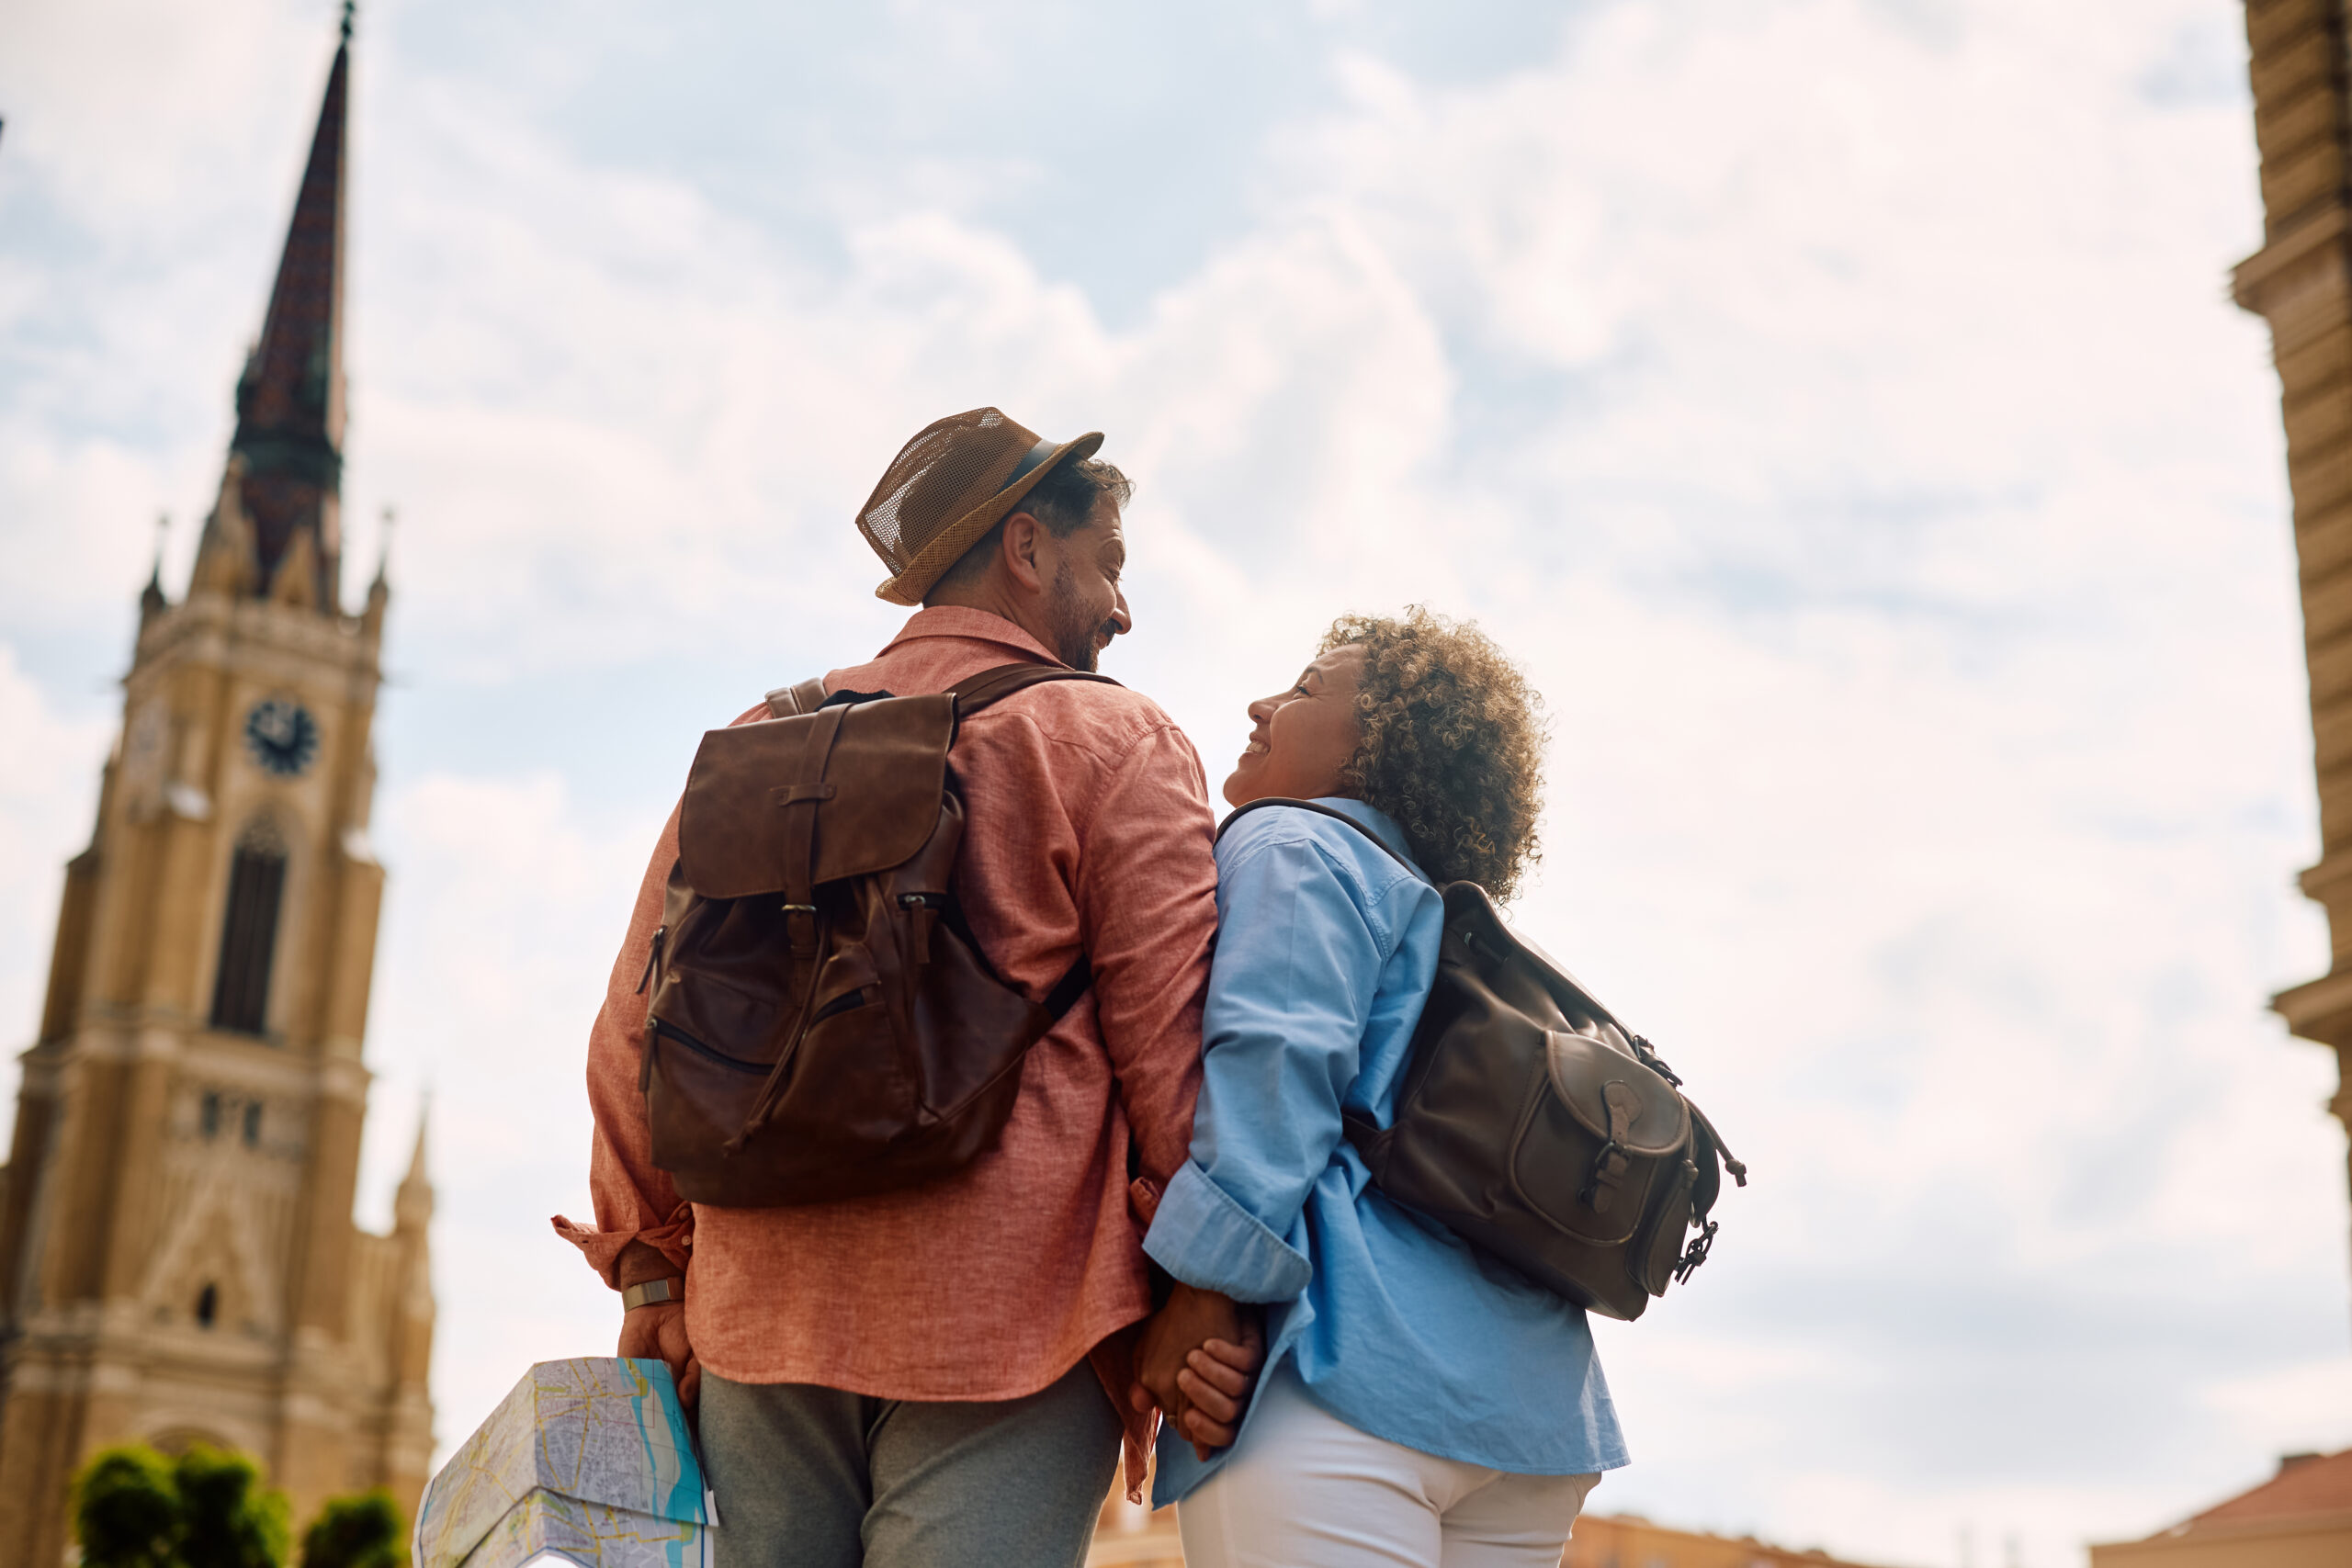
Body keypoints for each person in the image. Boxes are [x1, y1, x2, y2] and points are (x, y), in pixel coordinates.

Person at [555, 409, 1247, 1568]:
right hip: (1010, 1326)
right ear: (1026, 549)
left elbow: (634, 1025)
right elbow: (1175, 1056)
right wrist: (1203, 1288)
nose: (1121, 609)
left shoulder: (758, 737)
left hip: (756, 1315)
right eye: (1108, 565)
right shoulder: (1112, 741)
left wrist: (649, 1270)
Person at [1129, 609, 1628, 1568]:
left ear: (1376, 747)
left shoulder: (1295, 845)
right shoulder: (1456, 928)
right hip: (1529, 1425)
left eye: (1307, 689)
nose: (1262, 703)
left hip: (1344, 1381)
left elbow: (1274, 1060)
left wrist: (1202, 1292)